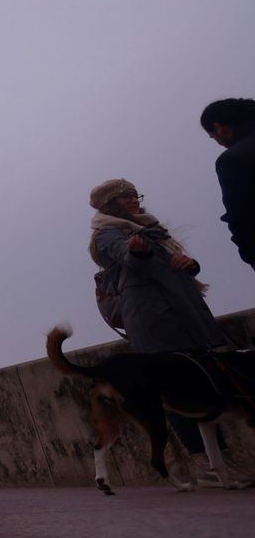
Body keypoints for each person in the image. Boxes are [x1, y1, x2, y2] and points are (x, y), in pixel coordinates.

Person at [89, 178, 238, 482]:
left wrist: (189, 264)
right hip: (153, 319)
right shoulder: (107, 233)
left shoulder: (150, 228)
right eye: (127, 197)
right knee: (176, 390)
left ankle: (219, 461)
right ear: (111, 204)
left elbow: (170, 264)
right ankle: (203, 463)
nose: (135, 200)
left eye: (136, 195)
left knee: (204, 386)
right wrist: (137, 252)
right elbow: (128, 258)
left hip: (182, 312)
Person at [201, 98, 255, 273]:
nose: (218, 142)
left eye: (213, 136)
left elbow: (241, 217)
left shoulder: (233, 159)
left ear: (219, 128)